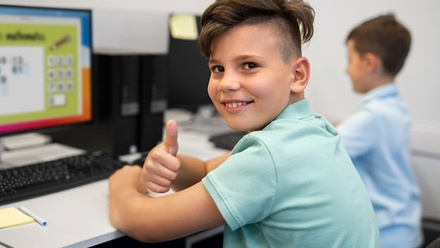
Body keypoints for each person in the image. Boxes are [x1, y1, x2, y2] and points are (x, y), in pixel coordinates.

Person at [108, 0, 380, 247]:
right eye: (218, 68)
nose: (227, 83)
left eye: (249, 65)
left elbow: (145, 223)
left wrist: (124, 179)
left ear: (297, 75)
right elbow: (205, 170)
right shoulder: (311, 129)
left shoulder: (271, 158)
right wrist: (171, 165)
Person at [337, 14, 422, 248]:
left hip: (387, 236)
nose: (347, 70)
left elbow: (323, 150)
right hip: (406, 227)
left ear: (369, 62)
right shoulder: (395, 106)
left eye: (350, 59)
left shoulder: (372, 117)